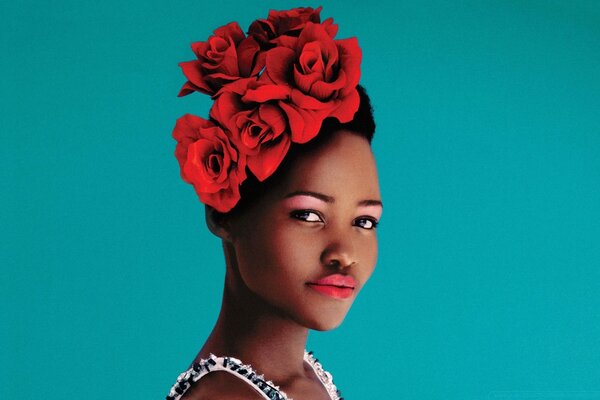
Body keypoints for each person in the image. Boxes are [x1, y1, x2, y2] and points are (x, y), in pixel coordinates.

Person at [166, 7, 383, 400]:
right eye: (308, 215)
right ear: (223, 212)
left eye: (365, 221)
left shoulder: (303, 378)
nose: (345, 253)